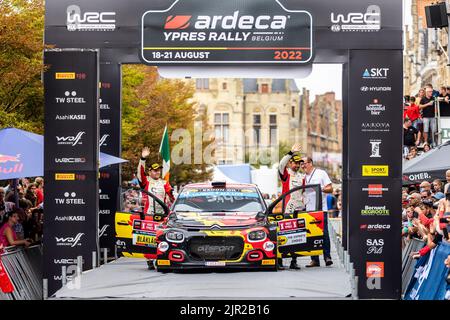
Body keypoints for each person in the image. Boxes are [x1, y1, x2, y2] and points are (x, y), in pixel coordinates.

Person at [301, 156, 334, 267]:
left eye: (304, 163)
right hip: (308, 210)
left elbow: (330, 188)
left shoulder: (321, 173)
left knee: (324, 233)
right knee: (310, 234)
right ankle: (314, 260)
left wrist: (319, 188)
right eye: (301, 164)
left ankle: (327, 257)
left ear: (310, 163)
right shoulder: (302, 177)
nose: (302, 165)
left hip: (321, 209)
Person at [277, 143, 304, 270]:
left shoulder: (301, 176)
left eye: (299, 164)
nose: (297, 165)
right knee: (283, 234)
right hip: (286, 209)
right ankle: (280, 260)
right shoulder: (286, 173)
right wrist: (290, 153)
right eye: (295, 163)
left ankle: (294, 260)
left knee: (296, 235)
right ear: (290, 163)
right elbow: (281, 164)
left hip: (298, 209)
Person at [137, 147, 175, 215]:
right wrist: (142, 159)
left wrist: (174, 198)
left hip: (162, 215)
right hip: (149, 215)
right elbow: (140, 172)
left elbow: (172, 196)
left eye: (159, 170)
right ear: (149, 172)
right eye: (155, 171)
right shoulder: (146, 181)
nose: (158, 172)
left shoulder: (164, 183)